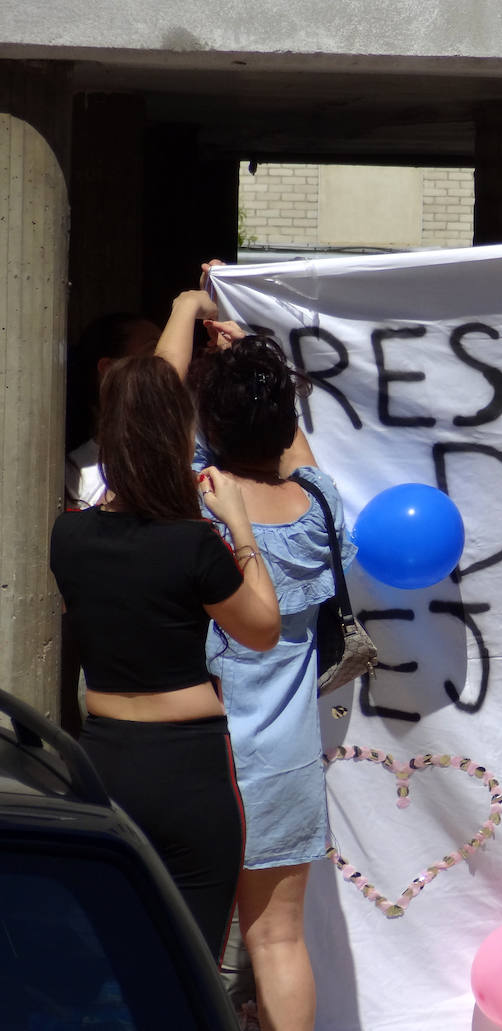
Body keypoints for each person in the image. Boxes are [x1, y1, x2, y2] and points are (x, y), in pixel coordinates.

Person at [48, 353, 281, 960]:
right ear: (178, 433)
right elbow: (262, 630)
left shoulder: (67, 534)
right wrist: (241, 530)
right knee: (189, 963)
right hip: (187, 766)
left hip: (100, 757)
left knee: (110, 961)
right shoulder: (193, 542)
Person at [164, 278, 352, 1031]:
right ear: (283, 417)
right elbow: (291, 449)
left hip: (201, 758)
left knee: (184, 943)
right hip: (285, 763)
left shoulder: (200, 500)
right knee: (277, 940)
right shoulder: (323, 506)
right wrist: (260, 370)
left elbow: (159, 410)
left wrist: (185, 314)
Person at [65, 312, 161, 508]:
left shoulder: (187, 448)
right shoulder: (73, 472)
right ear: (108, 369)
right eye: (153, 349)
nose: (166, 361)